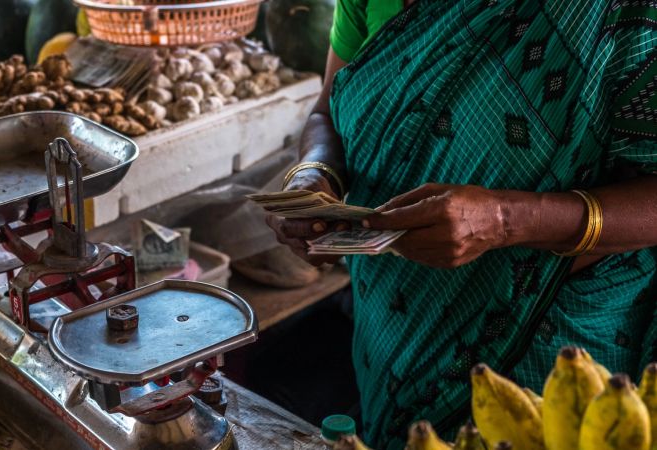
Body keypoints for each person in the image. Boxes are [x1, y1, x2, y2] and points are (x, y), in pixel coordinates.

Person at [265, 0, 657, 448]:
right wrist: (315, 175)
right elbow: (326, 111)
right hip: (393, 320)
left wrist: (506, 220)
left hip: (547, 335)